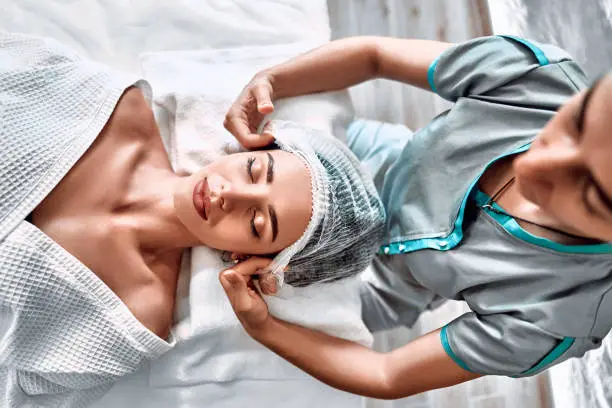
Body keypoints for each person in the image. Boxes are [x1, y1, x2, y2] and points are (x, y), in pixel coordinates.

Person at [0, 32, 384, 407]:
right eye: (252, 170)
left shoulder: (136, 315)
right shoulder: (117, 112)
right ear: (251, 145)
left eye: (257, 224)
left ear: (252, 260)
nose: (228, 195)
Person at [221, 35, 612, 399]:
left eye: (588, 192)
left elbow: (386, 374)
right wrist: (270, 79)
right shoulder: (535, 78)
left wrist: (265, 328)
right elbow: (374, 56)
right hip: (363, 160)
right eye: (576, 125)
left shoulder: (557, 321)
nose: (538, 164)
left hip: (374, 285)